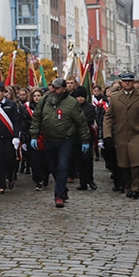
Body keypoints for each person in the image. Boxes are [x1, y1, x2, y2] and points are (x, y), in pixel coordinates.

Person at [29, 78, 90, 207]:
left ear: (63, 89)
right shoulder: (45, 100)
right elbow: (36, 118)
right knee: (53, 167)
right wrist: (34, 135)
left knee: (62, 166)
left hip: (65, 140)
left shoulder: (72, 103)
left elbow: (81, 122)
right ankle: (63, 189)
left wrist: (85, 139)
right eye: (52, 87)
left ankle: (59, 195)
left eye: (57, 88)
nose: (54, 90)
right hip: (49, 139)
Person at [103, 72, 139, 199]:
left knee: (136, 162)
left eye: (130, 81)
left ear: (134, 82)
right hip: (121, 134)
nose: (127, 83)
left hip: (137, 134)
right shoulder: (115, 97)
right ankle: (128, 186)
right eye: (125, 81)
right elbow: (108, 117)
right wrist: (107, 134)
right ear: (121, 82)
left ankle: (136, 189)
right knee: (124, 163)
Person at [0, 82, 22, 194]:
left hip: (9, 137)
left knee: (10, 159)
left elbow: (16, 121)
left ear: (4, 93)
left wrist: (16, 136)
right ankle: (1, 185)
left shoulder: (11, 104)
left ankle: (11, 176)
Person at [71, 86, 97, 191]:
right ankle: (82, 182)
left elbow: (89, 120)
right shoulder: (73, 107)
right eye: (78, 97)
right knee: (78, 160)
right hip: (75, 137)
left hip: (87, 136)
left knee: (87, 160)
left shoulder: (90, 108)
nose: (80, 99)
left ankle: (90, 179)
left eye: (82, 96)